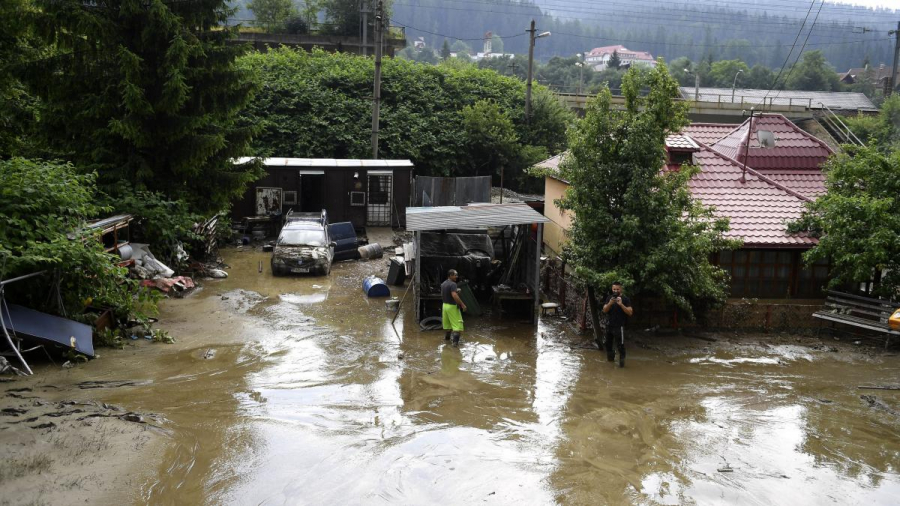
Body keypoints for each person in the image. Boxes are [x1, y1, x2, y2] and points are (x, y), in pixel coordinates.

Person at [601, 281, 633, 367]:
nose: (615, 291)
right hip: (609, 325)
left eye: (617, 289)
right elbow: (604, 310)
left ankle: (622, 366)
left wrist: (621, 304)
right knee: (608, 344)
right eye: (614, 289)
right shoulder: (609, 298)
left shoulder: (625, 299)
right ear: (612, 289)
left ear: (620, 289)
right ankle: (610, 362)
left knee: (621, 346)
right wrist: (610, 303)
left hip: (619, 326)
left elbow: (630, 312)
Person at [441, 269, 467, 347]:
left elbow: (447, 293)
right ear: (450, 275)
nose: (456, 276)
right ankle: (455, 346)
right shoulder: (453, 284)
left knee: (448, 326)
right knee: (457, 326)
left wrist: (456, 291)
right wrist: (462, 305)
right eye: (455, 275)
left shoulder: (443, 283)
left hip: (445, 306)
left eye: (456, 275)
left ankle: (446, 341)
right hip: (452, 306)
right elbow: (454, 295)